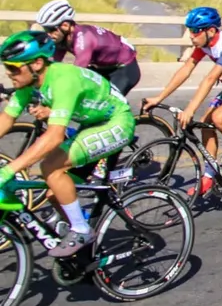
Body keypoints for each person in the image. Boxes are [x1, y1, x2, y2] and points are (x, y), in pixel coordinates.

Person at [0, 31, 135, 255]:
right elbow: (6, 118)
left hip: (116, 122)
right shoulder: (29, 84)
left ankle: (82, 230)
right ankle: (86, 246)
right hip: (92, 124)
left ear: (37, 63)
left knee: (50, 167)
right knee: (56, 193)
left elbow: (54, 136)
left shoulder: (63, 80)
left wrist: (9, 170)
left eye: (14, 68)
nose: (9, 73)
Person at [142, 7, 222, 196]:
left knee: (219, 118)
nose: (191, 36)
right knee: (206, 124)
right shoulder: (204, 44)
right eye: (189, 30)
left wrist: (190, 109)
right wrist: (159, 97)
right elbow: (186, 69)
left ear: (210, 30)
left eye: (195, 31)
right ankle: (210, 175)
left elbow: (210, 79)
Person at [36, 0, 142, 95]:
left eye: (50, 29)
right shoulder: (62, 37)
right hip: (103, 66)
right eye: (45, 30)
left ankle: (123, 115)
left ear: (65, 25)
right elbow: (53, 64)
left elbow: (76, 75)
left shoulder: (84, 41)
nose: (48, 34)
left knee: (106, 102)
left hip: (125, 69)